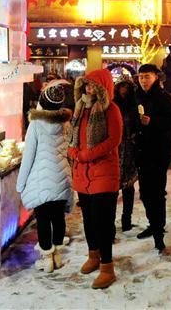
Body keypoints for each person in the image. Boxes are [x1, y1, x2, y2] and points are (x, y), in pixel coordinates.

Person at [68, 69, 123, 289]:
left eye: (92, 86)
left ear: (102, 88)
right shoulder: (81, 108)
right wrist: (73, 151)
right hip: (83, 174)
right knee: (89, 220)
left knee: (103, 223)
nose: (88, 90)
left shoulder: (111, 110)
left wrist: (86, 154)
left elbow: (114, 139)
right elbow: (73, 136)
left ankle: (107, 267)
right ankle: (93, 255)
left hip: (104, 174)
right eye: (85, 86)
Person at [16, 81, 74, 273]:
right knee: (58, 218)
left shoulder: (36, 125)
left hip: (41, 179)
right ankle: (56, 256)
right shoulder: (66, 124)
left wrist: (21, 184)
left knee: (43, 220)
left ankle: (47, 259)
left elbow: (29, 157)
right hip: (62, 176)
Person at [134, 63, 171, 251]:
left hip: (158, 152)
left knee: (157, 193)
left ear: (156, 77)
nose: (144, 80)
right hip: (141, 152)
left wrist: (152, 122)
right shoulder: (136, 97)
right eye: (141, 77)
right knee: (145, 193)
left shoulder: (164, 98)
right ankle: (154, 224)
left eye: (147, 77)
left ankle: (159, 231)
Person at [114, 80, 139, 232]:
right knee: (112, 189)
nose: (124, 90)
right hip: (114, 150)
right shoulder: (113, 105)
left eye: (127, 87)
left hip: (129, 150)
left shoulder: (134, 105)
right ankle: (110, 222)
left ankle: (126, 219)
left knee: (128, 187)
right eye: (122, 87)